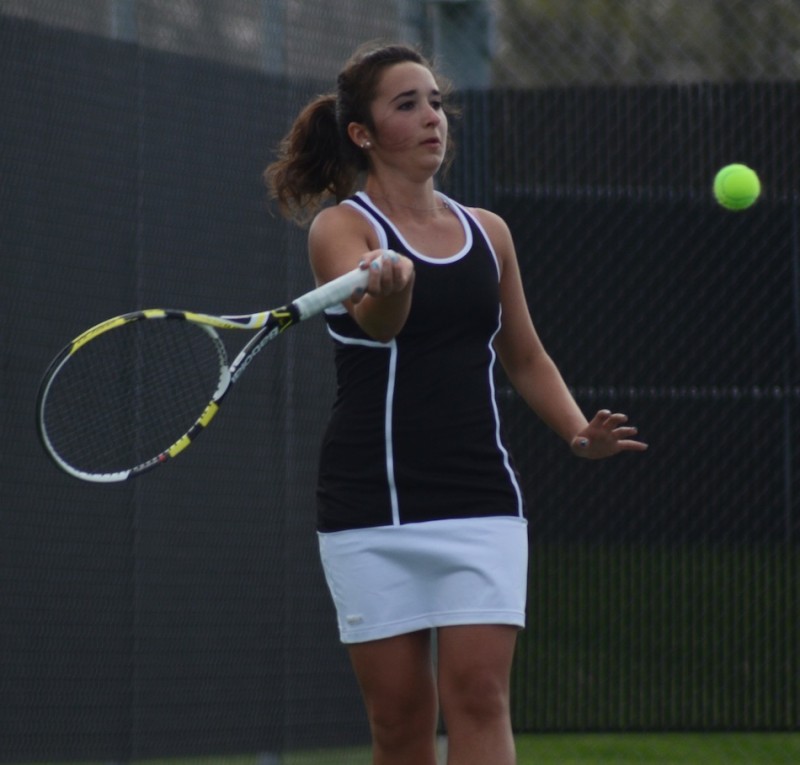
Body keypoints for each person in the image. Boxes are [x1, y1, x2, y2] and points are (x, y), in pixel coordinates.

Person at [265, 42, 648, 765]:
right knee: (403, 723)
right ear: (363, 133)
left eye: (435, 101)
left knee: (479, 695)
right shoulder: (341, 230)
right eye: (406, 104)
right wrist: (392, 285)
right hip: (369, 506)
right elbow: (381, 327)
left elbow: (525, 354)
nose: (432, 117)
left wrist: (576, 433)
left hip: (479, 498)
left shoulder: (488, 232)